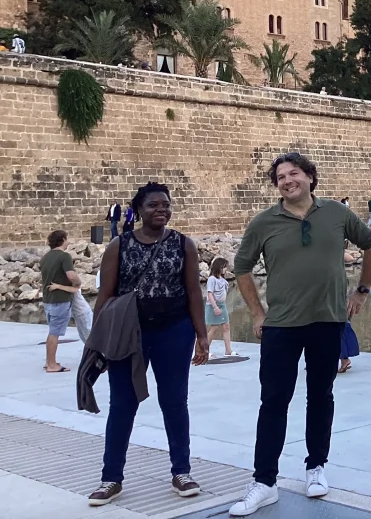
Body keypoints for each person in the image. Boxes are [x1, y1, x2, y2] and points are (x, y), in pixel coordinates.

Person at [229, 152, 371, 517]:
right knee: (273, 402)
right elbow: (241, 267)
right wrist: (256, 311)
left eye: (293, 173)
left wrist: (362, 290)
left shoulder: (337, 214)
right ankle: (264, 482)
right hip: (281, 325)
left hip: (327, 322)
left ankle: (316, 467)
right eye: (280, 177)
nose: (287, 180)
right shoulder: (264, 222)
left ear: (310, 177)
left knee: (321, 396)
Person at [87, 182, 209, 507]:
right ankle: (111, 478)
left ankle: (181, 472)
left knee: (174, 402)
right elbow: (106, 294)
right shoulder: (119, 245)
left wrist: (202, 334)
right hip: (129, 334)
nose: (161, 210)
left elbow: (194, 292)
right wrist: (96, 341)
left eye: (166, 205)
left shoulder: (184, 244)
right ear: (138, 210)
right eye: (154, 205)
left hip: (174, 331)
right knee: (123, 405)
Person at [40, 229, 81, 373]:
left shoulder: (45, 257)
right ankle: (52, 365)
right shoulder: (64, 256)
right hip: (60, 299)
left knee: (52, 331)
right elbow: (71, 275)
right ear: (62, 239)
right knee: (55, 332)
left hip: (47, 300)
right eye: (67, 238)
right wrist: (78, 283)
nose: (68, 241)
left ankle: (49, 361)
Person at [205, 256, 236, 359]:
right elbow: (210, 294)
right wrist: (215, 307)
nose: (225, 269)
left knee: (226, 326)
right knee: (214, 328)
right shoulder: (211, 279)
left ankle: (228, 350)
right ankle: (205, 351)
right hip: (214, 305)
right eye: (224, 267)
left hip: (222, 305)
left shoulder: (222, 279)